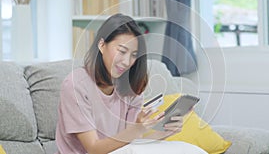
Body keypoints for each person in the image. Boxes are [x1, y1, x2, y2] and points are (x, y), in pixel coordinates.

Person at [55, 13, 207, 154]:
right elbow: (94, 149)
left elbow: (128, 143)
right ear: (102, 45)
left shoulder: (130, 86)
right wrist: (136, 129)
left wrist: (163, 132)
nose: (127, 62)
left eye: (134, 55)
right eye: (122, 51)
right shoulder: (75, 85)